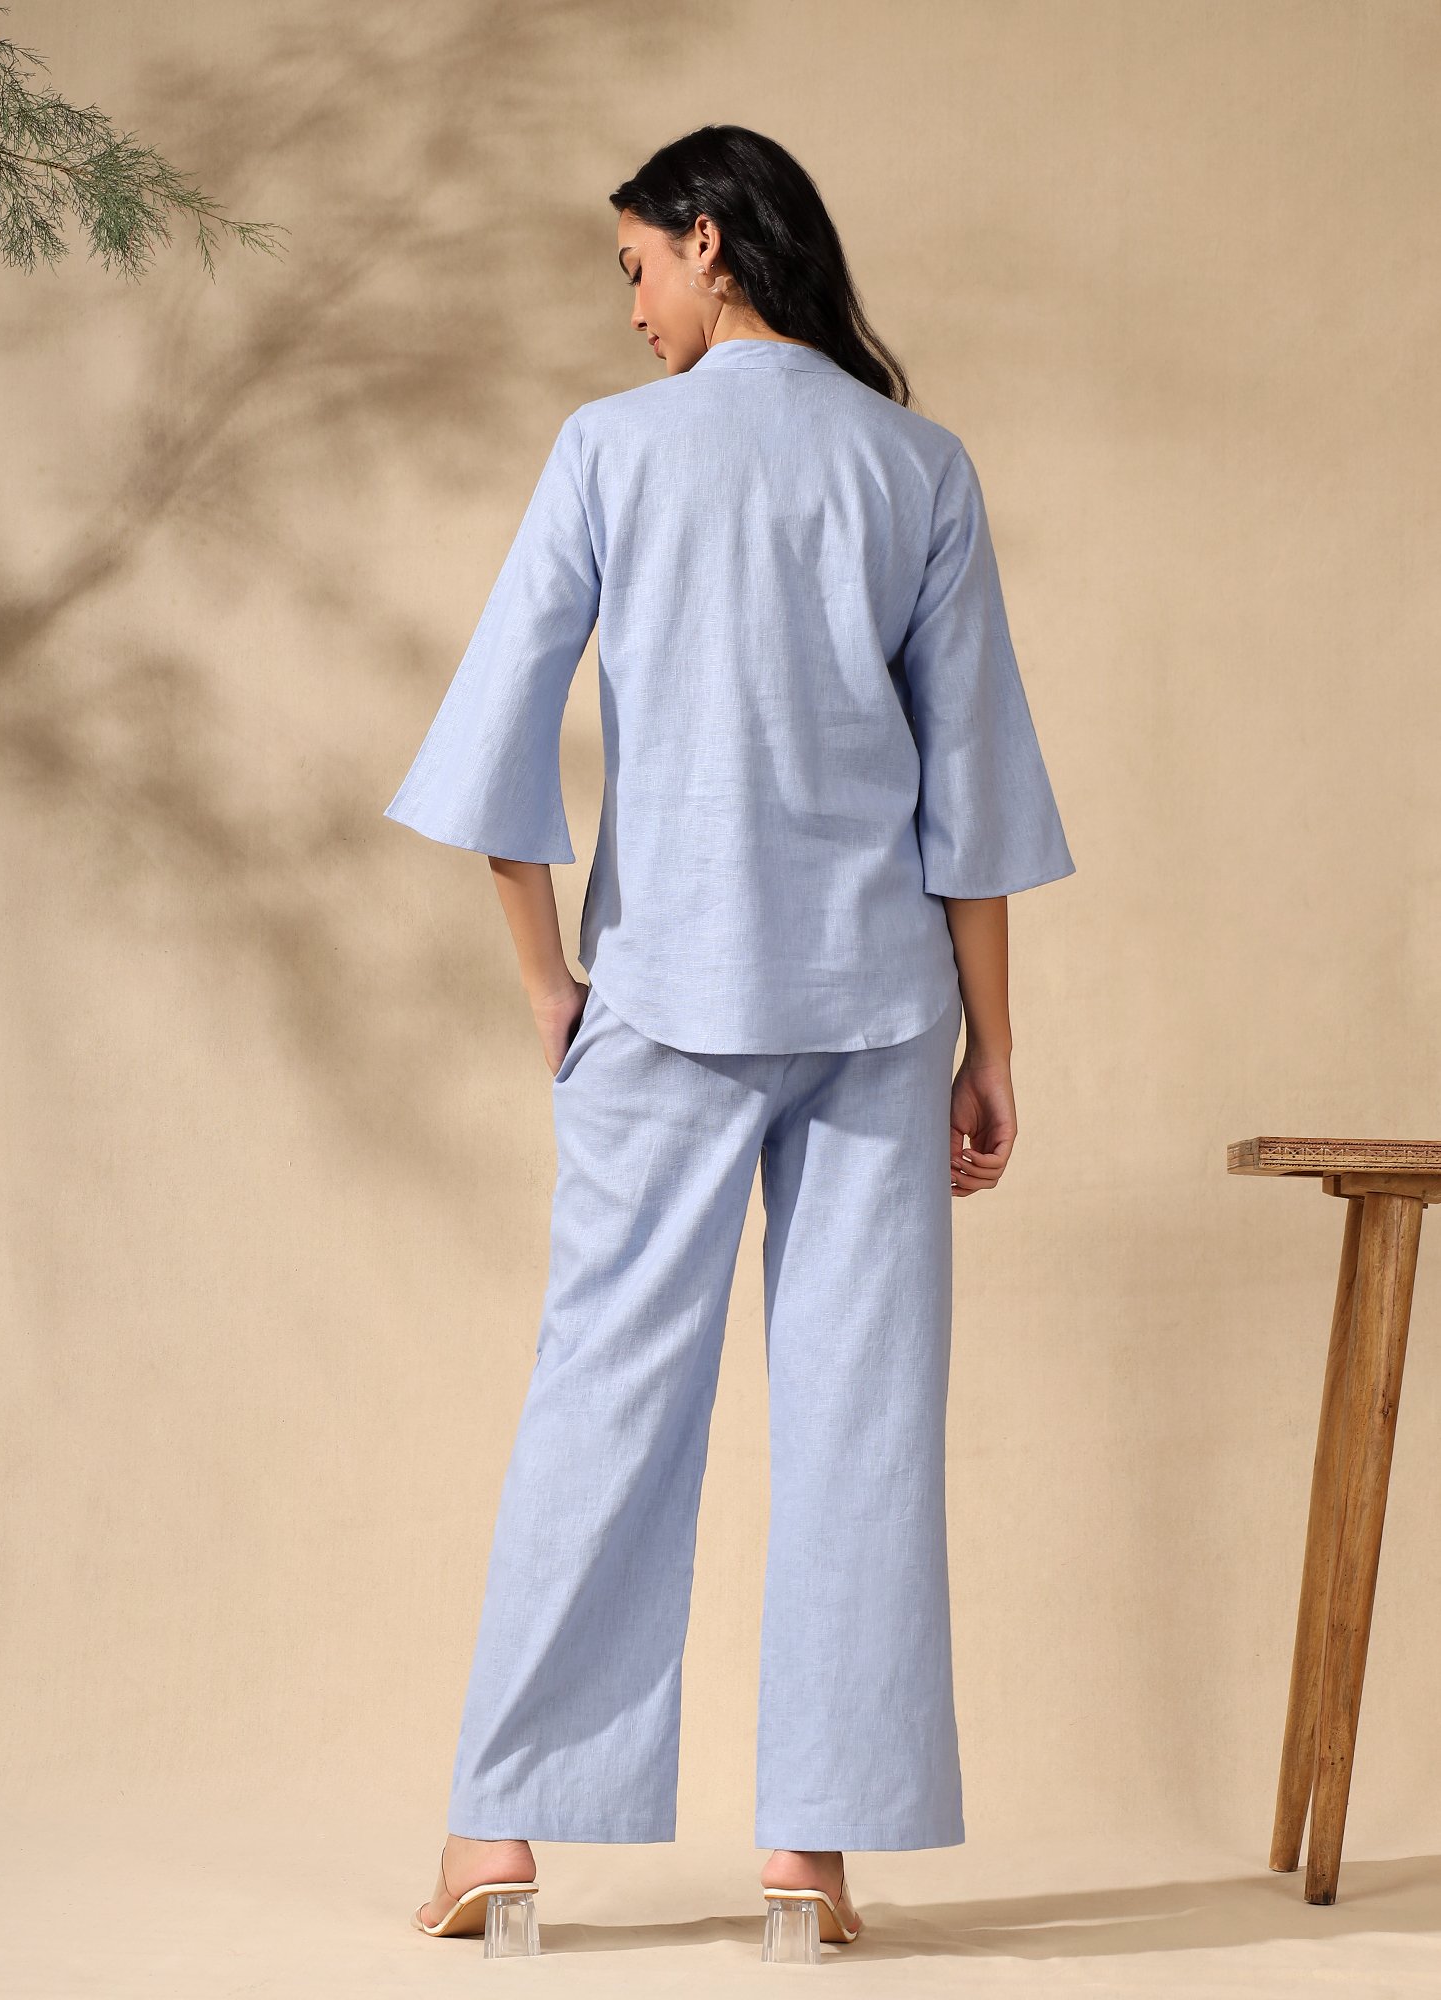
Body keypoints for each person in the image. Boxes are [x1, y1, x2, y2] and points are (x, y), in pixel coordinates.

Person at [386, 123, 1075, 1950]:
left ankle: (499, 1836)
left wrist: (550, 981)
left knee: (606, 1394)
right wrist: (992, 1047)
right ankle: (809, 1860)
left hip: (666, 997)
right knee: (862, 1418)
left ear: (707, 241)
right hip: (876, 1009)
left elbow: (495, 743)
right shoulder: (916, 464)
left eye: (635, 266)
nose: (631, 309)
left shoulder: (611, 452)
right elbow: (972, 791)